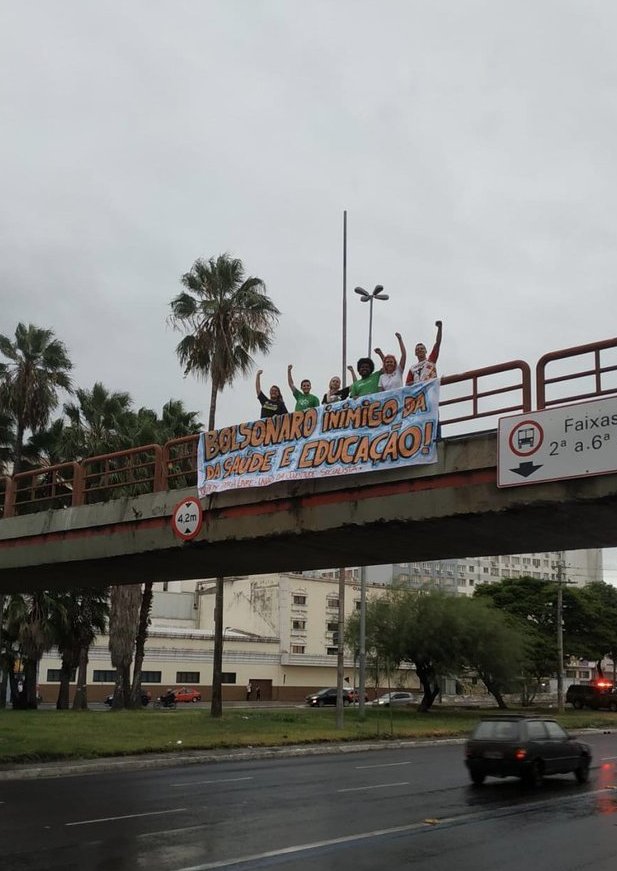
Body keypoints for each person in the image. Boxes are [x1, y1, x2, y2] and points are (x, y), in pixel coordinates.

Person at [406, 320, 442, 384]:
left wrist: (440, 328)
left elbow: (437, 343)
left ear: (426, 351)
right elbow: (407, 384)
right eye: (417, 349)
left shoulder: (431, 361)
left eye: (422, 348)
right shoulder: (412, 368)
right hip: (418, 393)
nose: (420, 350)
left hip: (430, 391)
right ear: (415, 353)